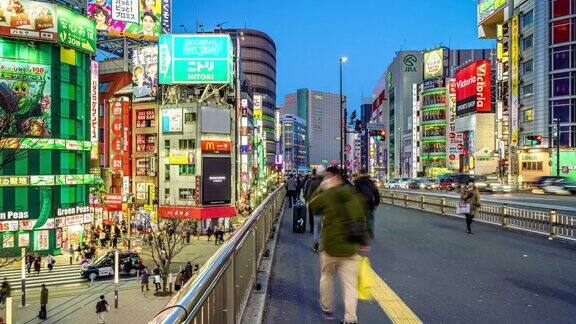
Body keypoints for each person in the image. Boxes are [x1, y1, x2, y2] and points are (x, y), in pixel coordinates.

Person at [308, 166, 369, 324]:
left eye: (328, 177)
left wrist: (321, 188)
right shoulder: (352, 195)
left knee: (326, 276)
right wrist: (363, 242)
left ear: (334, 178)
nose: (326, 179)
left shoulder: (328, 195)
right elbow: (361, 218)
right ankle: (350, 318)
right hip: (350, 248)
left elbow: (312, 206)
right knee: (350, 284)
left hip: (330, 248)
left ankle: (327, 307)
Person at [354, 171, 381, 240]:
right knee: (370, 218)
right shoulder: (371, 182)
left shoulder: (357, 183)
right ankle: (370, 231)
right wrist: (377, 202)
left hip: (359, 203)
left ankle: (360, 234)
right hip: (370, 203)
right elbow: (376, 192)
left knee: (360, 218)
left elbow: (353, 193)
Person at [304, 168, 325, 251]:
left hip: (316, 208)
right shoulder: (327, 183)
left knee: (317, 226)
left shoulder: (313, 183)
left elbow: (308, 194)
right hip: (326, 208)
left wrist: (307, 201)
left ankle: (316, 243)